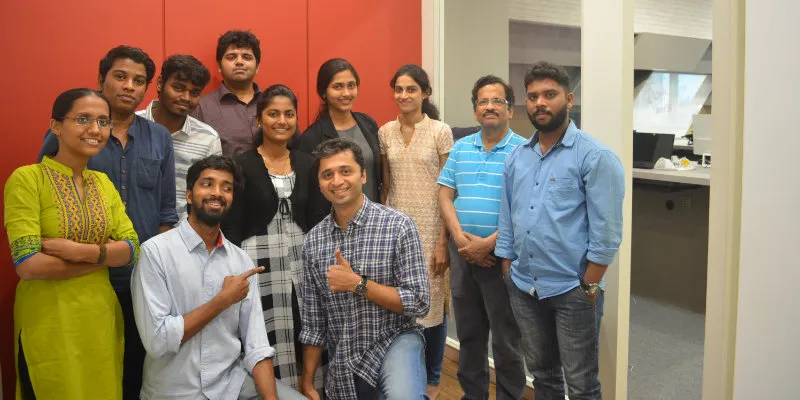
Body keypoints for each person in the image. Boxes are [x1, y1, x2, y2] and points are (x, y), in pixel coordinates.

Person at [37, 45, 177, 399]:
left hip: (141, 277)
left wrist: (160, 273)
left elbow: (166, 212)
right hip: (80, 277)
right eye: (120, 76)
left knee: (136, 367)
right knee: (86, 367)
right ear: (101, 80)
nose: (129, 86)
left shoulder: (159, 137)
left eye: (139, 81)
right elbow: (45, 193)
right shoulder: (69, 133)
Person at [496, 62, 625, 400]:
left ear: (568, 99)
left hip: (572, 290)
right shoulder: (517, 157)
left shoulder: (595, 157)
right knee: (543, 377)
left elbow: (607, 234)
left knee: (581, 385)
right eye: (533, 96)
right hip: (524, 286)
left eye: (549, 95)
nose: (540, 103)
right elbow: (507, 216)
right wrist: (507, 266)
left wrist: (589, 285)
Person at [131, 155, 306, 400]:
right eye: (207, 184)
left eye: (227, 188)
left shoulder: (240, 261)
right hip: (175, 391)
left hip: (231, 384)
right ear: (189, 195)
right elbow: (157, 341)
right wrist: (222, 301)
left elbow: (256, 346)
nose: (217, 193)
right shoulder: (155, 253)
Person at [5, 88, 140, 399]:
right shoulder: (28, 180)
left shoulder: (103, 183)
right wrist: (104, 257)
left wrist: (79, 252)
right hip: (49, 319)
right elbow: (29, 265)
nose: (95, 129)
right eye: (83, 119)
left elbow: (133, 248)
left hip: (99, 317)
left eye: (103, 121)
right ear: (56, 126)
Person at [299, 138, 431, 400]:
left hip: (395, 339)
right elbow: (313, 323)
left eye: (345, 171)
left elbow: (419, 302)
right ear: (320, 184)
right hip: (345, 358)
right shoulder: (313, 241)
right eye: (327, 175)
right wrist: (308, 381)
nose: (337, 181)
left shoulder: (398, 226)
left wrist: (357, 284)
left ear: (363, 175)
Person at [221, 84, 328, 392]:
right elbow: (232, 225)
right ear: (259, 120)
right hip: (258, 265)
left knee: (305, 327)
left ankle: (310, 389)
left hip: (302, 263)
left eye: (289, 114)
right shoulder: (241, 165)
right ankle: (273, 392)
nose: (282, 121)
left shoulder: (308, 163)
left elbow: (318, 219)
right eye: (273, 114)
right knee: (263, 332)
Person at [436, 75, 527, 400]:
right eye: (483, 102)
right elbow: (445, 195)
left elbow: (527, 207)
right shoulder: (461, 148)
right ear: (475, 111)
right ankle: (473, 395)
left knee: (506, 338)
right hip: (463, 256)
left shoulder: (524, 151)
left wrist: (490, 243)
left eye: (497, 101)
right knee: (469, 334)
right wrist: (460, 239)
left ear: (510, 110)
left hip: (501, 258)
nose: (489, 107)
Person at [378, 64, 453, 399]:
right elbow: (386, 186)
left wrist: (443, 241)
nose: (404, 95)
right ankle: (407, 374)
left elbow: (448, 190)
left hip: (432, 229)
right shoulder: (385, 132)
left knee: (433, 306)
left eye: (411, 89)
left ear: (425, 93)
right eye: (399, 89)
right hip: (396, 230)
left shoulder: (440, 131)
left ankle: (433, 379)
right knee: (401, 302)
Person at [137, 54, 223, 222]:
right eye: (178, 88)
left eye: (194, 93)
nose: (186, 98)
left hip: (185, 232)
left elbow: (212, 193)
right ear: (160, 83)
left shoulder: (208, 138)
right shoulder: (131, 126)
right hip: (133, 230)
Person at [293, 58, 382, 202]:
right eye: (338, 87)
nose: (346, 93)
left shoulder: (368, 123)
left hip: (373, 212)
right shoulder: (311, 138)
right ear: (324, 92)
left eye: (351, 85)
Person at [192, 30, 262, 156]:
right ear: (219, 66)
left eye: (246, 57)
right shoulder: (200, 107)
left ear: (257, 67)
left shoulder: (273, 104)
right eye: (231, 57)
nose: (239, 62)